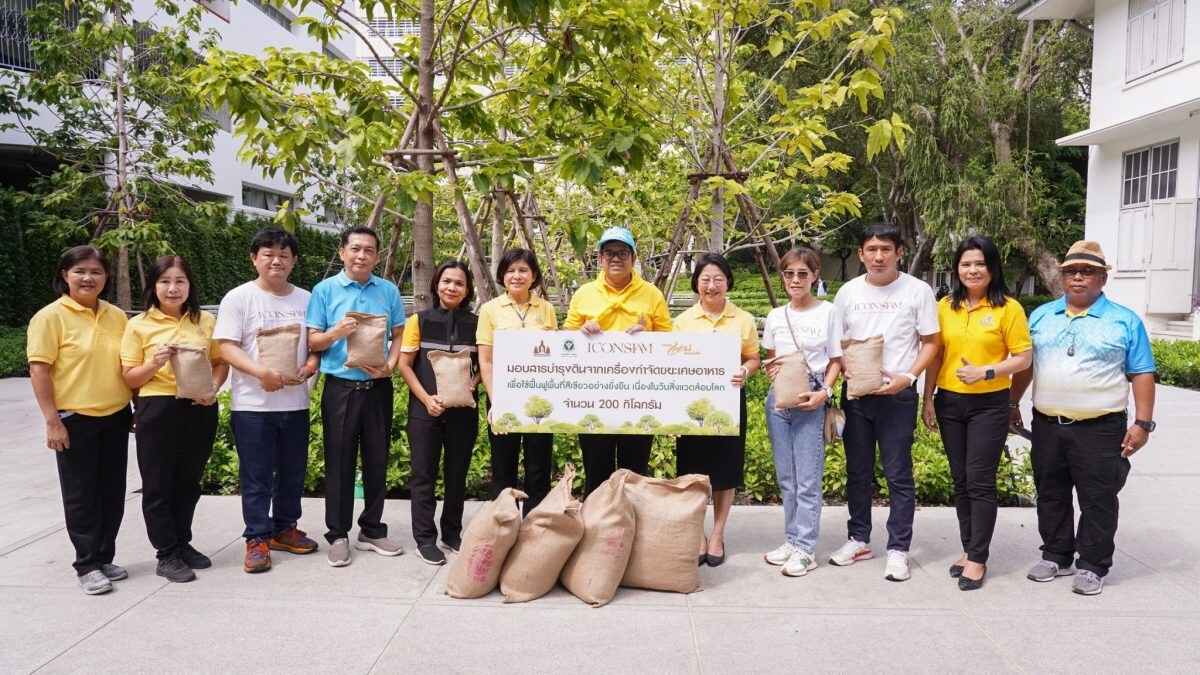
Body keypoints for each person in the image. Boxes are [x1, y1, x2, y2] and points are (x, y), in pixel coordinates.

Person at [1010, 240, 1156, 596]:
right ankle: (1057, 555)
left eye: (1087, 271)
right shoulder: (1042, 316)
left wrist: (1143, 423)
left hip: (1101, 428)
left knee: (1098, 497)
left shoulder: (1124, 320)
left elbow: (1142, 373)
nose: (1078, 277)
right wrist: (1012, 402)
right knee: (1051, 493)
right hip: (1047, 425)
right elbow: (1027, 365)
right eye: (1071, 271)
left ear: (1103, 278)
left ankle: (1092, 564)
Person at [920, 236, 1031, 591]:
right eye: (966, 264)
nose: (972, 270)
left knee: (980, 480)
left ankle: (978, 558)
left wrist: (987, 371)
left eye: (979, 264)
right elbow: (936, 356)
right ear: (957, 269)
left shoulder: (1008, 308)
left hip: (990, 404)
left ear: (992, 267)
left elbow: (1023, 358)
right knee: (961, 481)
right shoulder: (945, 306)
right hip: (950, 402)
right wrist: (928, 399)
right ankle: (969, 549)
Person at [831, 222, 940, 582]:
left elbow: (931, 342)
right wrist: (848, 371)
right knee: (857, 472)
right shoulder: (847, 293)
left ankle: (898, 548)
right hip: (857, 397)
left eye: (886, 249)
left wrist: (908, 379)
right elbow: (838, 345)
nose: (878, 256)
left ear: (899, 253)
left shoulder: (918, 291)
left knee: (898, 474)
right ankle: (859, 538)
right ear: (861, 254)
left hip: (898, 397)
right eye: (871, 250)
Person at [27, 246, 133, 595]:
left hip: (116, 415)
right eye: (79, 271)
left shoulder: (116, 315)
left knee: (111, 490)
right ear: (64, 276)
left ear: (105, 277)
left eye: (96, 272)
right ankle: (87, 563)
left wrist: (134, 407)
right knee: (81, 494)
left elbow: (126, 365)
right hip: (75, 419)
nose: (88, 278)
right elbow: (40, 370)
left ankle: (104, 556)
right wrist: (51, 420)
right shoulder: (50, 317)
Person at [216, 228, 321, 574]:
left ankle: (284, 529)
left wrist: (310, 366)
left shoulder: (306, 299)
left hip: (295, 404)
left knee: (292, 474)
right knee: (257, 476)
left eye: (284, 254)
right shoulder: (239, 298)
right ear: (254, 258)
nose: (276, 260)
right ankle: (257, 539)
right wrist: (261, 372)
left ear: (294, 260)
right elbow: (227, 346)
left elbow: (316, 344)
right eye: (268, 254)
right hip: (252, 408)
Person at [120, 255, 229, 583]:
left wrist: (213, 387)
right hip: (158, 408)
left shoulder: (205, 321)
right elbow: (129, 378)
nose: (173, 288)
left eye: (180, 281)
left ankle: (183, 543)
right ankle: (165, 553)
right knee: (158, 485)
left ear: (189, 285)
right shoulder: (138, 325)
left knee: (188, 483)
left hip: (199, 407)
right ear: (154, 286)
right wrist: (154, 363)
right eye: (165, 281)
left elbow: (220, 361)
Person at [307, 226, 406, 567]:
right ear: (342, 253)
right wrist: (336, 332)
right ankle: (338, 534)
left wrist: (391, 366)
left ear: (377, 256)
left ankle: (373, 530)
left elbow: (398, 334)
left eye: (369, 250)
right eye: (355, 249)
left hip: (378, 389)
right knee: (339, 462)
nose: (361, 255)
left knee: (377, 460)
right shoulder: (324, 290)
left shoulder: (388, 290)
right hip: (341, 389)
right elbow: (313, 342)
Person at [563, 226, 673, 496]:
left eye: (622, 252)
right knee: (596, 471)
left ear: (633, 258)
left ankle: (632, 532)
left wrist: (647, 337)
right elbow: (564, 340)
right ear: (599, 259)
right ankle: (597, 532)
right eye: (609, 253)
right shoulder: (584, 293)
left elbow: (669, 340)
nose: (615, 259)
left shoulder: (652, 294)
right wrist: (581, 333)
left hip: (639, 396)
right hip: (592, 395)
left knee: (634, 473)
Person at [673, 253, 761, 568]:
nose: (712, 286)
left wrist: (746, 372)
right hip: (690, 406)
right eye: (706, 279)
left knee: (725, 471)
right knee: (692, 470)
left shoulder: (743, 319)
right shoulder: (681, 322)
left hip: (729, 401)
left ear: (728, 283)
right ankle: (697, 533)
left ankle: (718, 534)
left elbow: (753, 357)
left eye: (718, 279)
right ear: (697, 283)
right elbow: (671, 365)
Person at [761, 248, 843, 578]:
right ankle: (792, 539)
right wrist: (771, 372)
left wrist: (825, 392)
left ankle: (806, 548)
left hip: (812, 397)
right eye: (789, 274)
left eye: (802, 274)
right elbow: (771, 357)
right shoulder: (776, 315)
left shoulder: (828, 312)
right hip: (778, 399)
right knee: (787, 477)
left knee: (807, 479)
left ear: (814, 276)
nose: (795, 280)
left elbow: (837, 359)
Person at [397, 261, 480, 565]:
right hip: (425, 412)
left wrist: (472, 383)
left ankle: (452, 533)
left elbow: (484, 364)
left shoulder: (476, 322)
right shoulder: (418, 321)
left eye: (459, 283)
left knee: (457, 475)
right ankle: (425, 538)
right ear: (436, 285)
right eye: (446, 281)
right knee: (423, 475)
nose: (451, 288)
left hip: (463, 413)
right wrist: (425, 399)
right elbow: (404, 365)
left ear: (467, 289)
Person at [477, 249, 558, 515]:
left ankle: (536, 530)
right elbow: (486, 361)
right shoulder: (490, 310)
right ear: (502, 275)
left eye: (523, 270)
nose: (517, 276)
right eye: (511, 270)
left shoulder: (546, 309)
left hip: (540, 398)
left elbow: (555, 355)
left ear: (533, 275)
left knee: (539, 467)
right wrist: (496, 402)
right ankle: (504, 527)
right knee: (503, 467)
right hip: (504, 398)